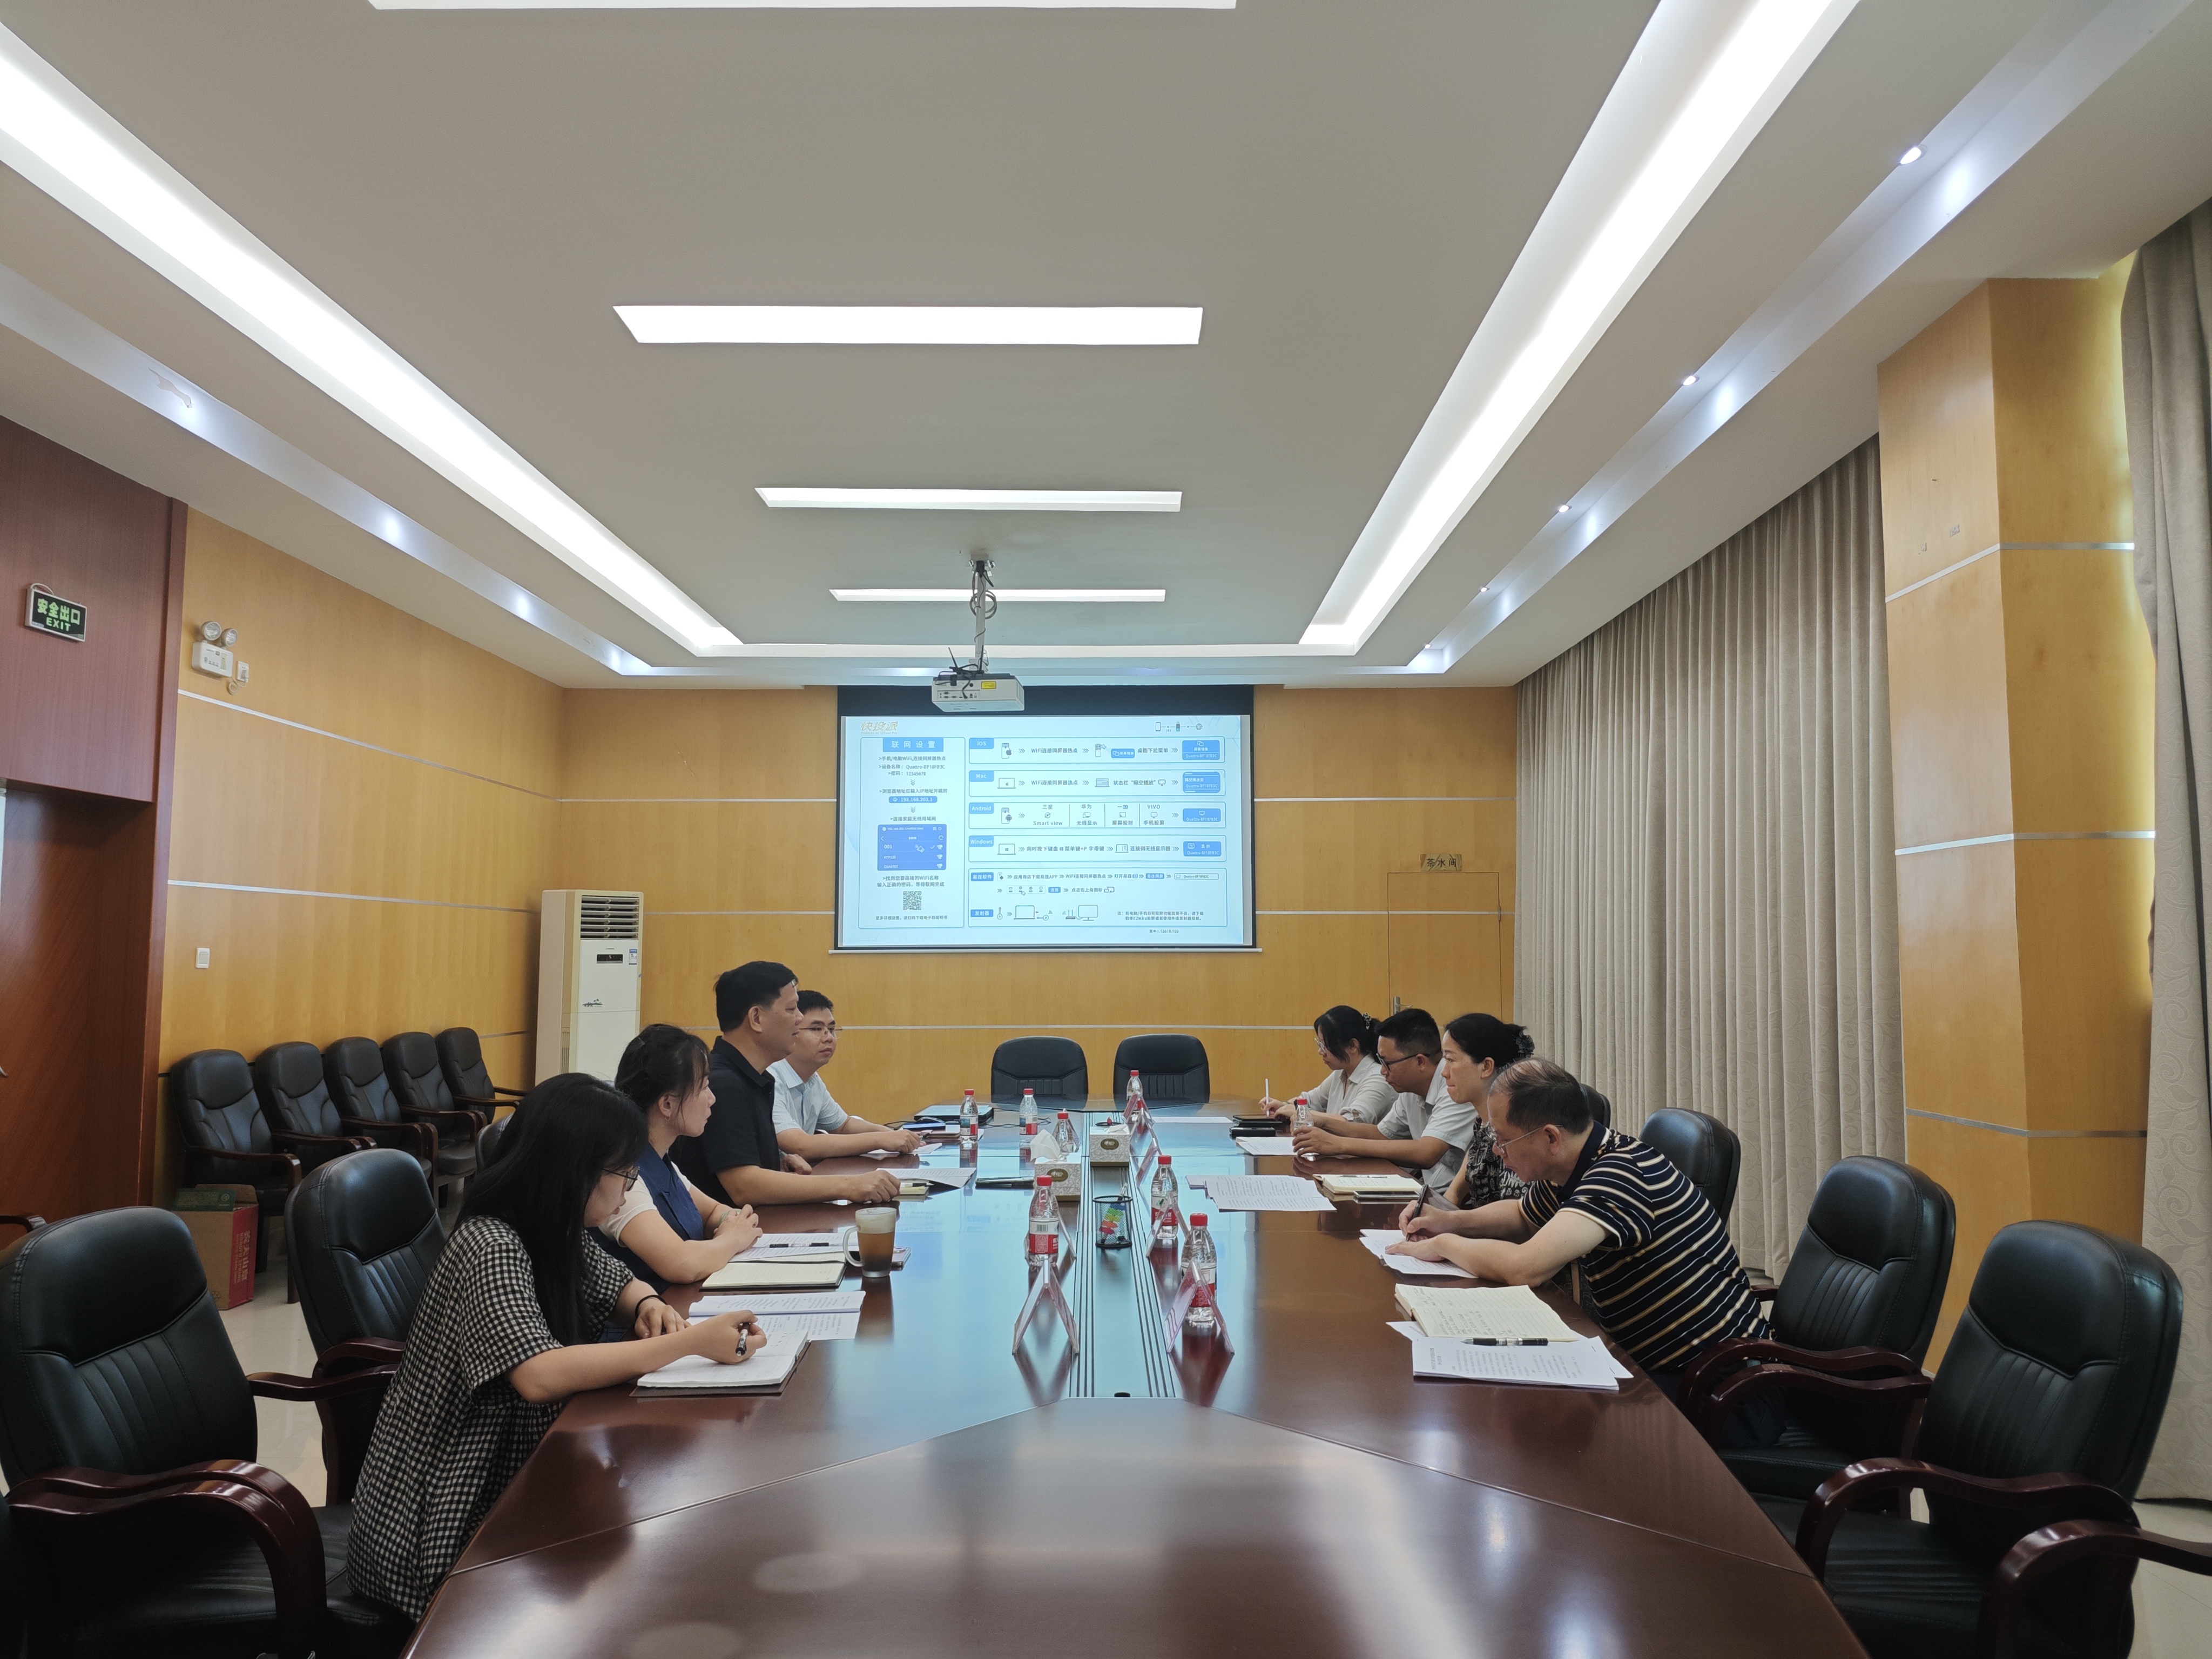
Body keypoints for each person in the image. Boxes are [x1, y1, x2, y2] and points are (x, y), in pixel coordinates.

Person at [349, 1074, 767, 1621]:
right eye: (623, 1173)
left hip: (515, 1473)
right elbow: (538, 1375)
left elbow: (615, 1283)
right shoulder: (489, 1243)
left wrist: (646, 1304)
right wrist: (689, 1343)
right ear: (576, 1171)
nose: (627, 1189)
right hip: (441, 1517)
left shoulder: (550, 1225)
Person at [1388, 1057, 1781, 1446]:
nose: (1496, 1151)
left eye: (1504, 1140)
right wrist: (1450, 1220)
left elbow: (1526, 1267)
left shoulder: (1619, 1175)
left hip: (1725, 1390)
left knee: (1540, 1427)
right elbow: (1523, 1216)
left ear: (1551, 1138)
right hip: (1660, 1367)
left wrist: (1444, 1245)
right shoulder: (1580, 1163)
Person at [672, 960, 902, 1209]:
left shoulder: (756, 1078)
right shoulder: (723, 1083)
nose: (800, 1018)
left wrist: (777, 1166)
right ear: (757, 1018)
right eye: (792, 1010)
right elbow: (744, 1187)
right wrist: (850, 1185)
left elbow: (740, 1168)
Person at [600, 1023, 764, 1295]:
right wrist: (733, 1238)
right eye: (704, 1087)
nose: (712, 1099)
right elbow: (682, 1264)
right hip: (647, 1316)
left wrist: (731, 1222)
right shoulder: (622, 1175)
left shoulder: (661, 1159)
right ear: (667, 1104)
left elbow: (713, 1212)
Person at [1289, 1008, 1476, 1197]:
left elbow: (1426, 1152)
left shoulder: (1454, 1085)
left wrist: (1339, 1144)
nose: (1382, 1071)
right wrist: (1324, 1123)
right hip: (1431, 1191)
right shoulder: (1410, 1087)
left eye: (1388, 1063)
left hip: (1462, 1201)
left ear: (1420, 1062)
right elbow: (1382, 1134)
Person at [772, 990, 925, 1162]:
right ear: (791, 1031)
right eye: (817, 1029)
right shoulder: (771, 1079)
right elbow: (801, 1146)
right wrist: (880, 1140)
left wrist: (892, 1134)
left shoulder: (812, 1080)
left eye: (831, 1029)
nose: (829, 1038)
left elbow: (843, 1126)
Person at [1262, 1004, 1397, 1124]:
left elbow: (1352, 1121)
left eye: (1325, 1046)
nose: (1320, 1052)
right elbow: (1311, 1101)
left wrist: (1301, 1113)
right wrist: (1283, 1105)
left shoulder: (1378, 1078)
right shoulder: (1342, 1072)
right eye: (1319, 1044)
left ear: (1352, 1046)